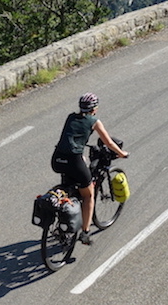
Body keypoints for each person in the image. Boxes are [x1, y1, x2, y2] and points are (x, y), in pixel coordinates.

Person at [50, 93, 128, 245]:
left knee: (71, 179)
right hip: (73, 161)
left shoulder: (70, 117)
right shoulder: (94, 121)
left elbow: (71, 138)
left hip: (57, 160)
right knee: (88, 194)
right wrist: (122, 154)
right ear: (95, 108)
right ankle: (85, 233)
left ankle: (64, 208)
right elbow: (110, 143)